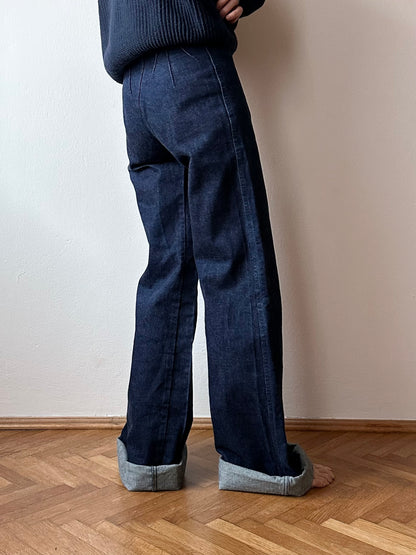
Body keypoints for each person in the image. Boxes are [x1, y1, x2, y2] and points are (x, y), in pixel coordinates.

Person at [97, 0, 335, 495]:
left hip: (135, 89)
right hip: (191, 69)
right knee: (235, 261)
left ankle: (148, 456)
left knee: (168, 269)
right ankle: (257, 459)